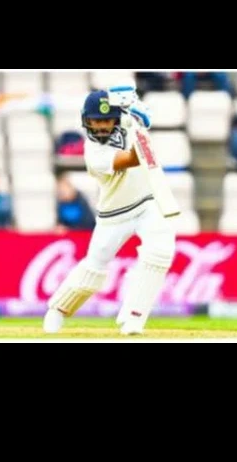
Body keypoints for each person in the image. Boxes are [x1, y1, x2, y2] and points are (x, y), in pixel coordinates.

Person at [43, 89, 176, 336]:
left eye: (107, 120)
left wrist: (140, 114)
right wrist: (141, 126)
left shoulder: (125, 120)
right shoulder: (93, 154)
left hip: (147, 202)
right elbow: (133, 159)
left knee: (161, 252)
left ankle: (134, 317)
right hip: (113, 215)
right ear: (87, 121)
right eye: (96, 121)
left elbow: (135, 110)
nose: (102, 126)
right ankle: (58, 309)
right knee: (95, 268)